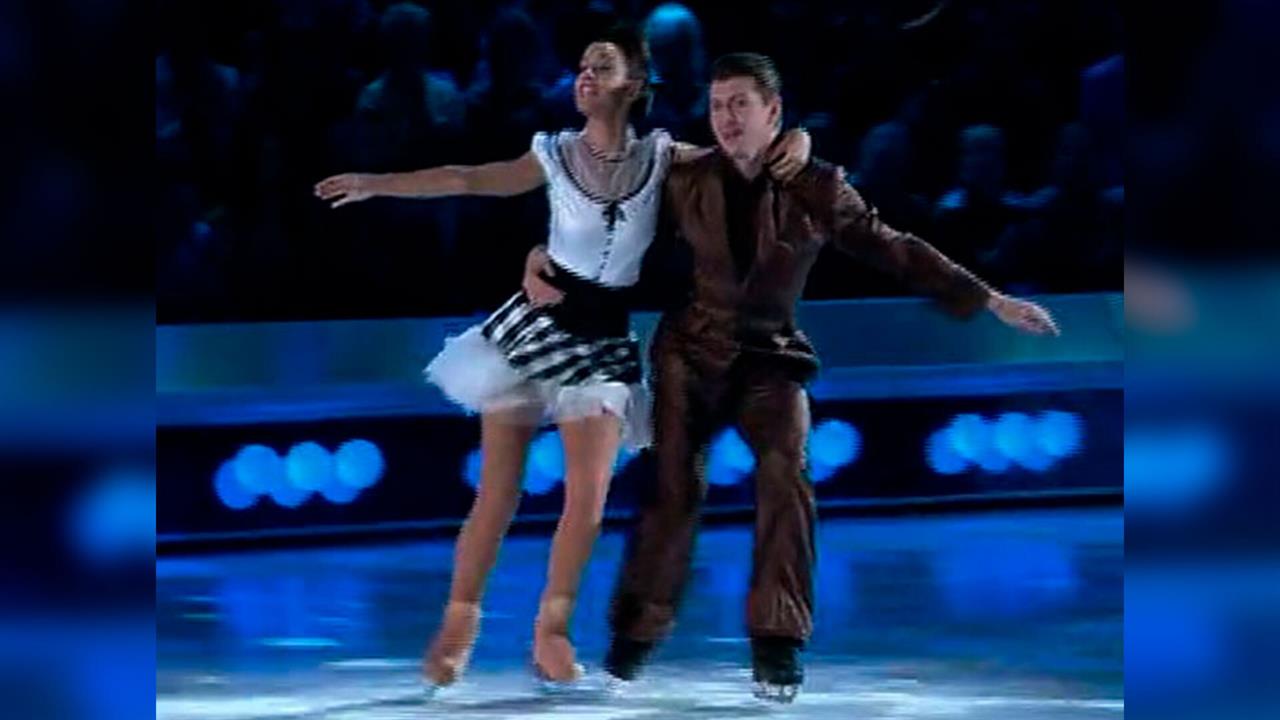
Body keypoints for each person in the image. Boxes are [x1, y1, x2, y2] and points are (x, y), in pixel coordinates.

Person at [524, 52, 1058, 703]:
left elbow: (892, 246)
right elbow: (614, 218)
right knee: (673, 488)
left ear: (773, 112)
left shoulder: (817, 186)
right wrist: (553, 266)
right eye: (718, 106)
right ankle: (632, 642)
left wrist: (987, 298)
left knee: (787, 470)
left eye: (740, 105)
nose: (727, 118)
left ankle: (777, 645)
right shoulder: (687, 175)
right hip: (689, 354)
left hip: (770, 358)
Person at [314, 28, 811, 690]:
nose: (585, 76)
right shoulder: (551, 153)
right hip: (535, 329)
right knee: (498, 492)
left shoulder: (662, 157)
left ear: (634, 85)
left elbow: (736, 157)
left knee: (588, 501)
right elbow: (466, 178)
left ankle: (552, 629)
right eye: (581, 66)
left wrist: (797, 140)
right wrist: (377, 183)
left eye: (601, 67)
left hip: (602, 343)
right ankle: (459, 622)